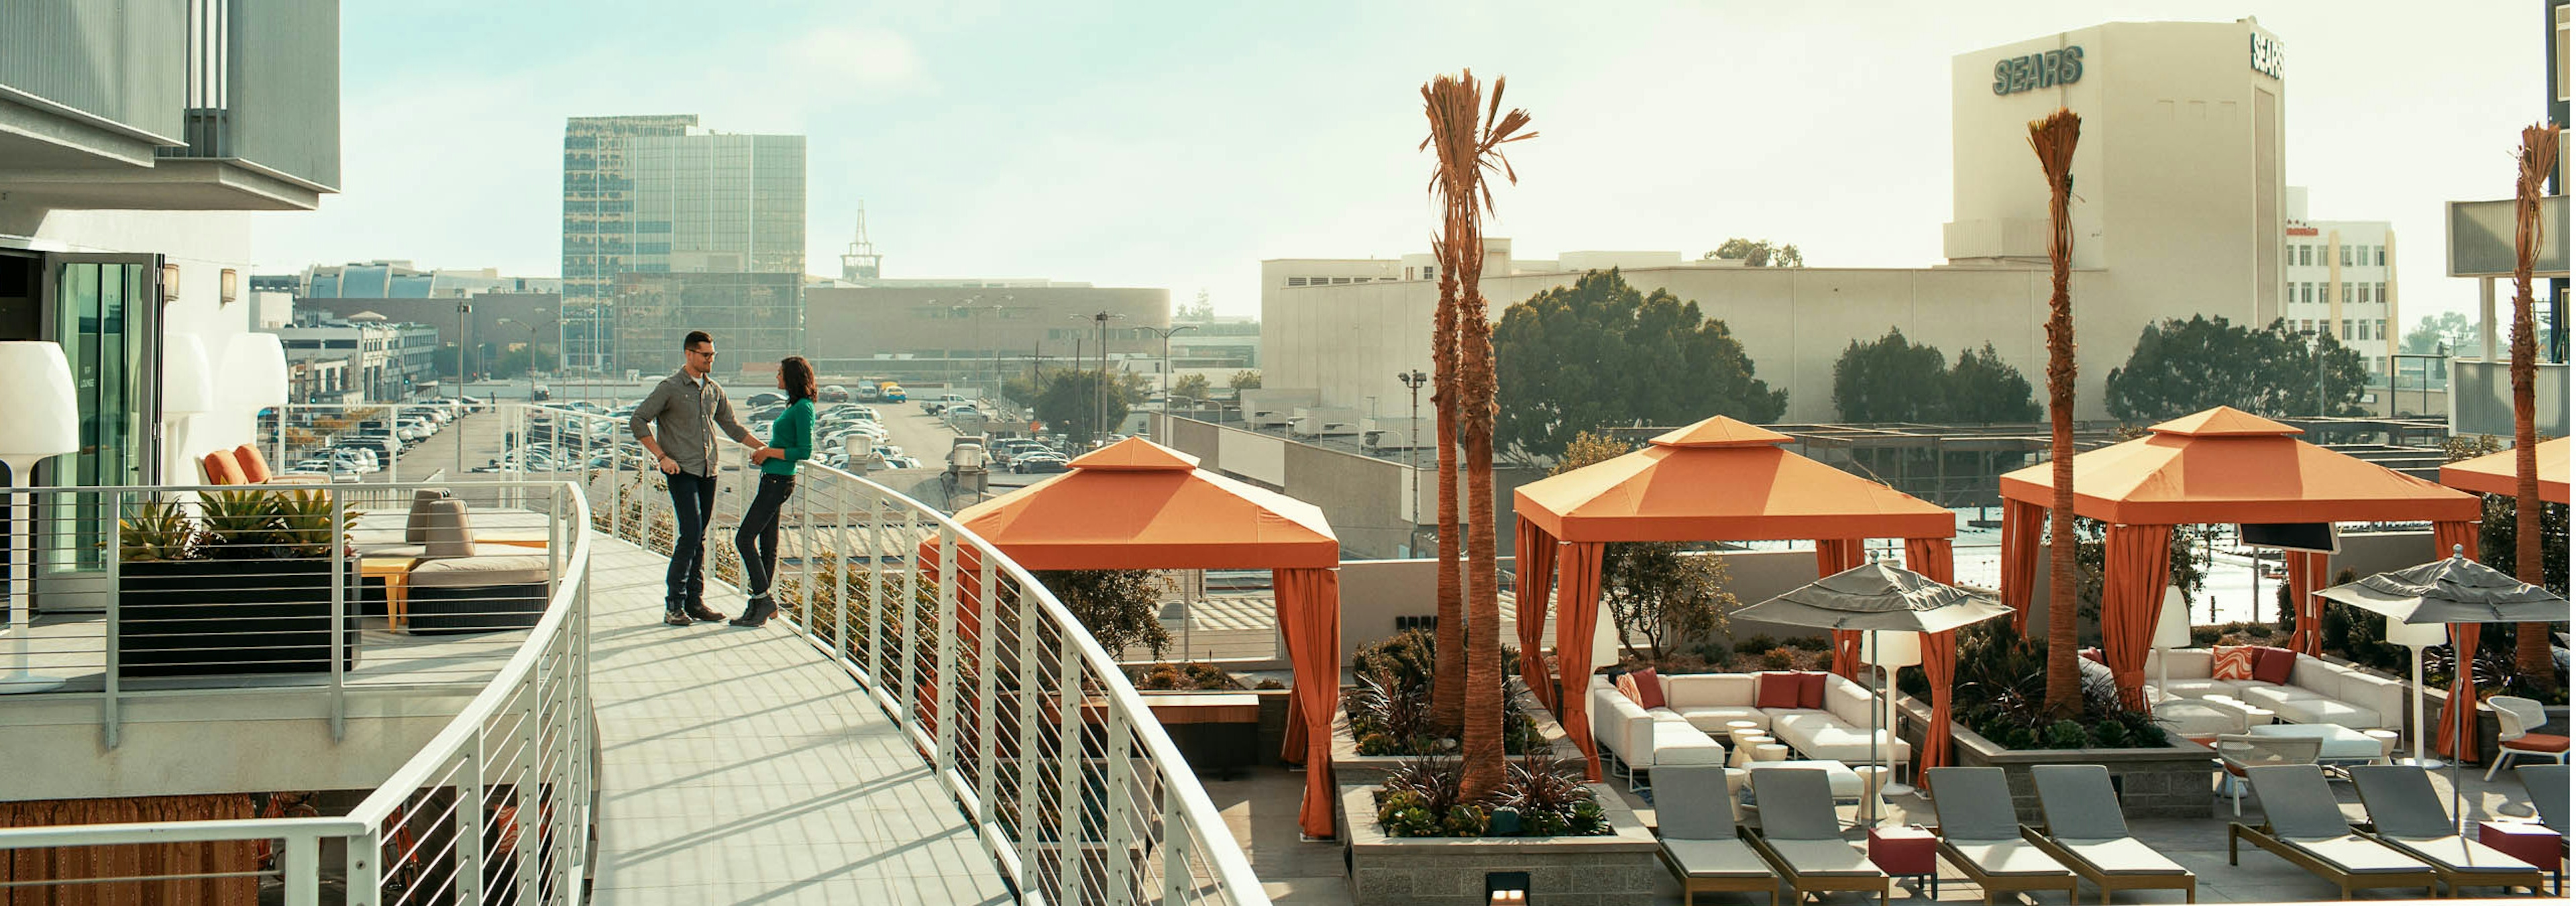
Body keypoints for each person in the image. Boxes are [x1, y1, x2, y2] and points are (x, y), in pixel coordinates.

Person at [629, 330, 762, 627]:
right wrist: (662, 457)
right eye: (706, 355)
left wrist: (763, 449)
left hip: (708, 471)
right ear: (689, 354)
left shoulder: (713, 389)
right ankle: (673, 605)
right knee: (690, 533)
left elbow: (733, 427)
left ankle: (695, 601)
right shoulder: (670, 388)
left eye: (713, 355)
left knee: (699, 536)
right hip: (681, 471)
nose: (710, 359)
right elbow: (638, 420)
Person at [730, 356, 813, 627]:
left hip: (779, 481)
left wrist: (768, 452)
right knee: (768, 544)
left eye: (780, 374)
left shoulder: (803, 408)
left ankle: (763, 600)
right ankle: (759, 604)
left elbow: (804, 451)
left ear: (791, 377)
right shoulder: (794, 406)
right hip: (772, 478)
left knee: (743, 539)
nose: (776, 378)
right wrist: (766, 455)